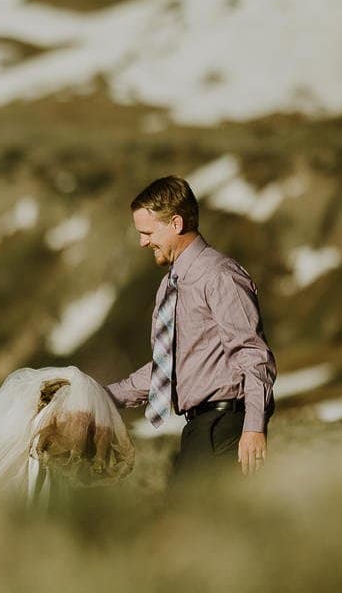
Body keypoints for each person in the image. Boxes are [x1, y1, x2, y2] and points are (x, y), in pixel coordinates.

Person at [106, 176, 276, 478]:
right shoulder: (171, 284)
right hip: (198, 430)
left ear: (175, 224)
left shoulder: (220, 276)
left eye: (147, 232)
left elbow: (253, 355)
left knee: (190, 522)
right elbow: (170, 366)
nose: (142, 242)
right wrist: (105, 396)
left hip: (224, 429)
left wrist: (253, 427)